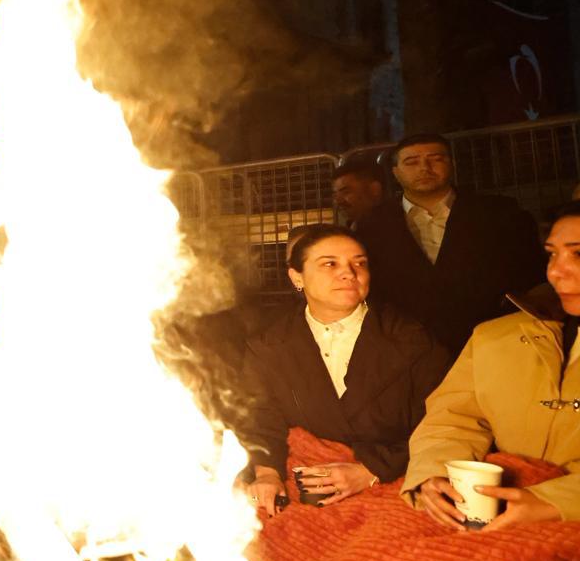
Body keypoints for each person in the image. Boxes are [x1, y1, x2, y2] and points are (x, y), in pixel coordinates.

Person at [237, 225, 451, 517]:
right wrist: (267, 474)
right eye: (330, 264)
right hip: (304, 482)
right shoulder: (268, 346)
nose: (349, 273)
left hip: (398, 478)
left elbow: (442, 422)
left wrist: (371, 471)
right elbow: (261, 420)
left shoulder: (413, 340)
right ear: (297, 277)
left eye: (359, 263)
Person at [402, 201, 580, 529]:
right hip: (495, 511)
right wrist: (435, 474)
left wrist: (556, 502)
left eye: (578, 254)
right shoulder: (495, 338)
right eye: (552, 254)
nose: (556, 271)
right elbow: (453, 417)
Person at [355, 134, 546, 353]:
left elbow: (530, 270)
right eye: (412, 162)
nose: (424, 168)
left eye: (436, 159)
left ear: (451, 164)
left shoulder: (498, 212)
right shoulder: (373, 224)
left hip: (492, 337)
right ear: (396, 172)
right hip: (408, 345)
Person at [330, 159, 385, 228]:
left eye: (346, 192)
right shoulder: (357, 224)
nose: (339, 201)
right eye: (335, 195)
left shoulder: (384, 226)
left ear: (374, 189)